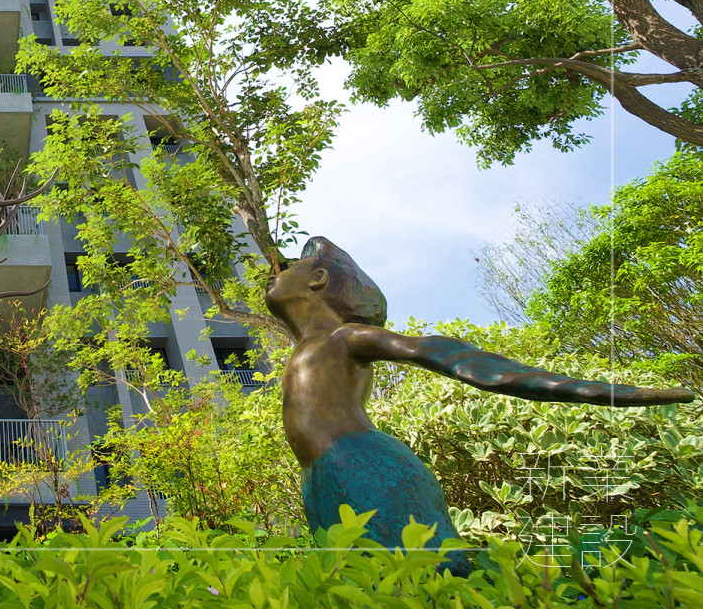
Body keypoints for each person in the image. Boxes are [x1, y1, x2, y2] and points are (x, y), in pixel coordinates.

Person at [266, 236, 694, 576]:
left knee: (427, 573)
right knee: (354, 581)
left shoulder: (345, 337)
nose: (275, 271)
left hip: (363, 464)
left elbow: (449, 355)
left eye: (290, 266)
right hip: (319, 476)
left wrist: (594, 390)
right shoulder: (309, 346)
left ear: (318, 278)